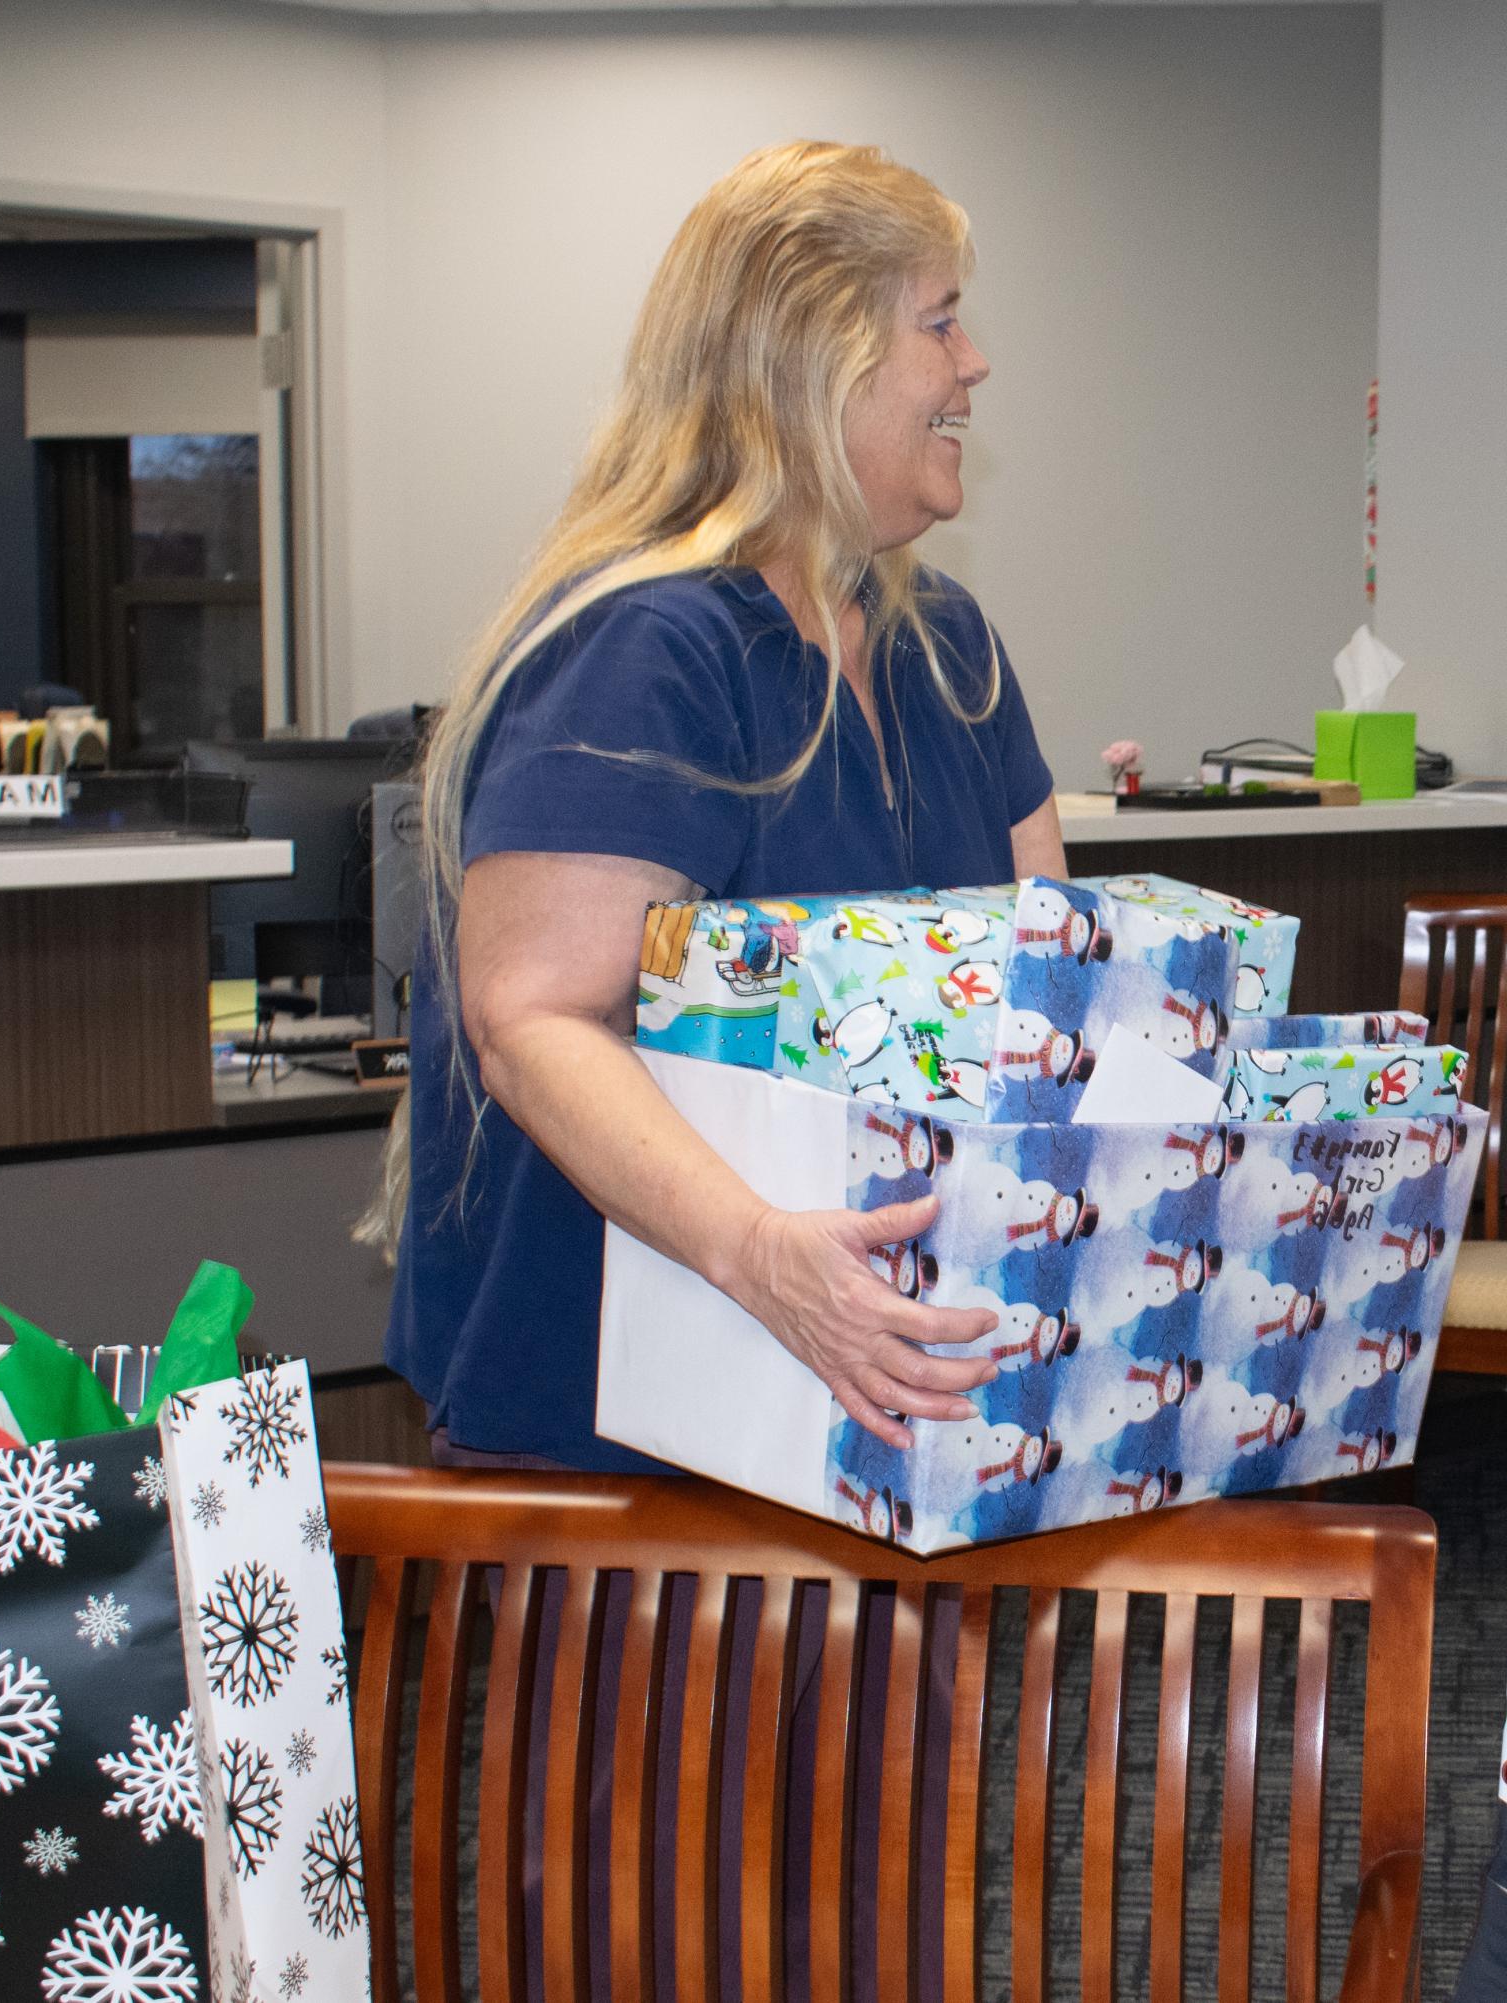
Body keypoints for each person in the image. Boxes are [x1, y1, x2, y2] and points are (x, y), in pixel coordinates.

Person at [383, 141, 1061, 1472]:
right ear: (818, 358)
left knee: (895, 1695)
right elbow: (530, 1017)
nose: (973, 363)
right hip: (634, 1423)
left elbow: (1054, 973)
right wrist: (764, 1255)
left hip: (878, 1401)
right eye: (939, 320)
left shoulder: (947, 647)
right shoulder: (650, 650)